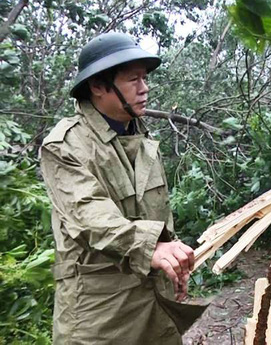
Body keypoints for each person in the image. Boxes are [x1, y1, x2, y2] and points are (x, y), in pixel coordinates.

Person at [40, 33, 206, 344]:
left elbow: (157, 217)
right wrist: (152, 249)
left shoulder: (142, 140)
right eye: (133, 80)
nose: (145, 89)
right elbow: (90, 215)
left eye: (145, 78)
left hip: (154, 305)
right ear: (99, 86)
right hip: (100, 315)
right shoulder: (65, 146)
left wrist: (173, 261)